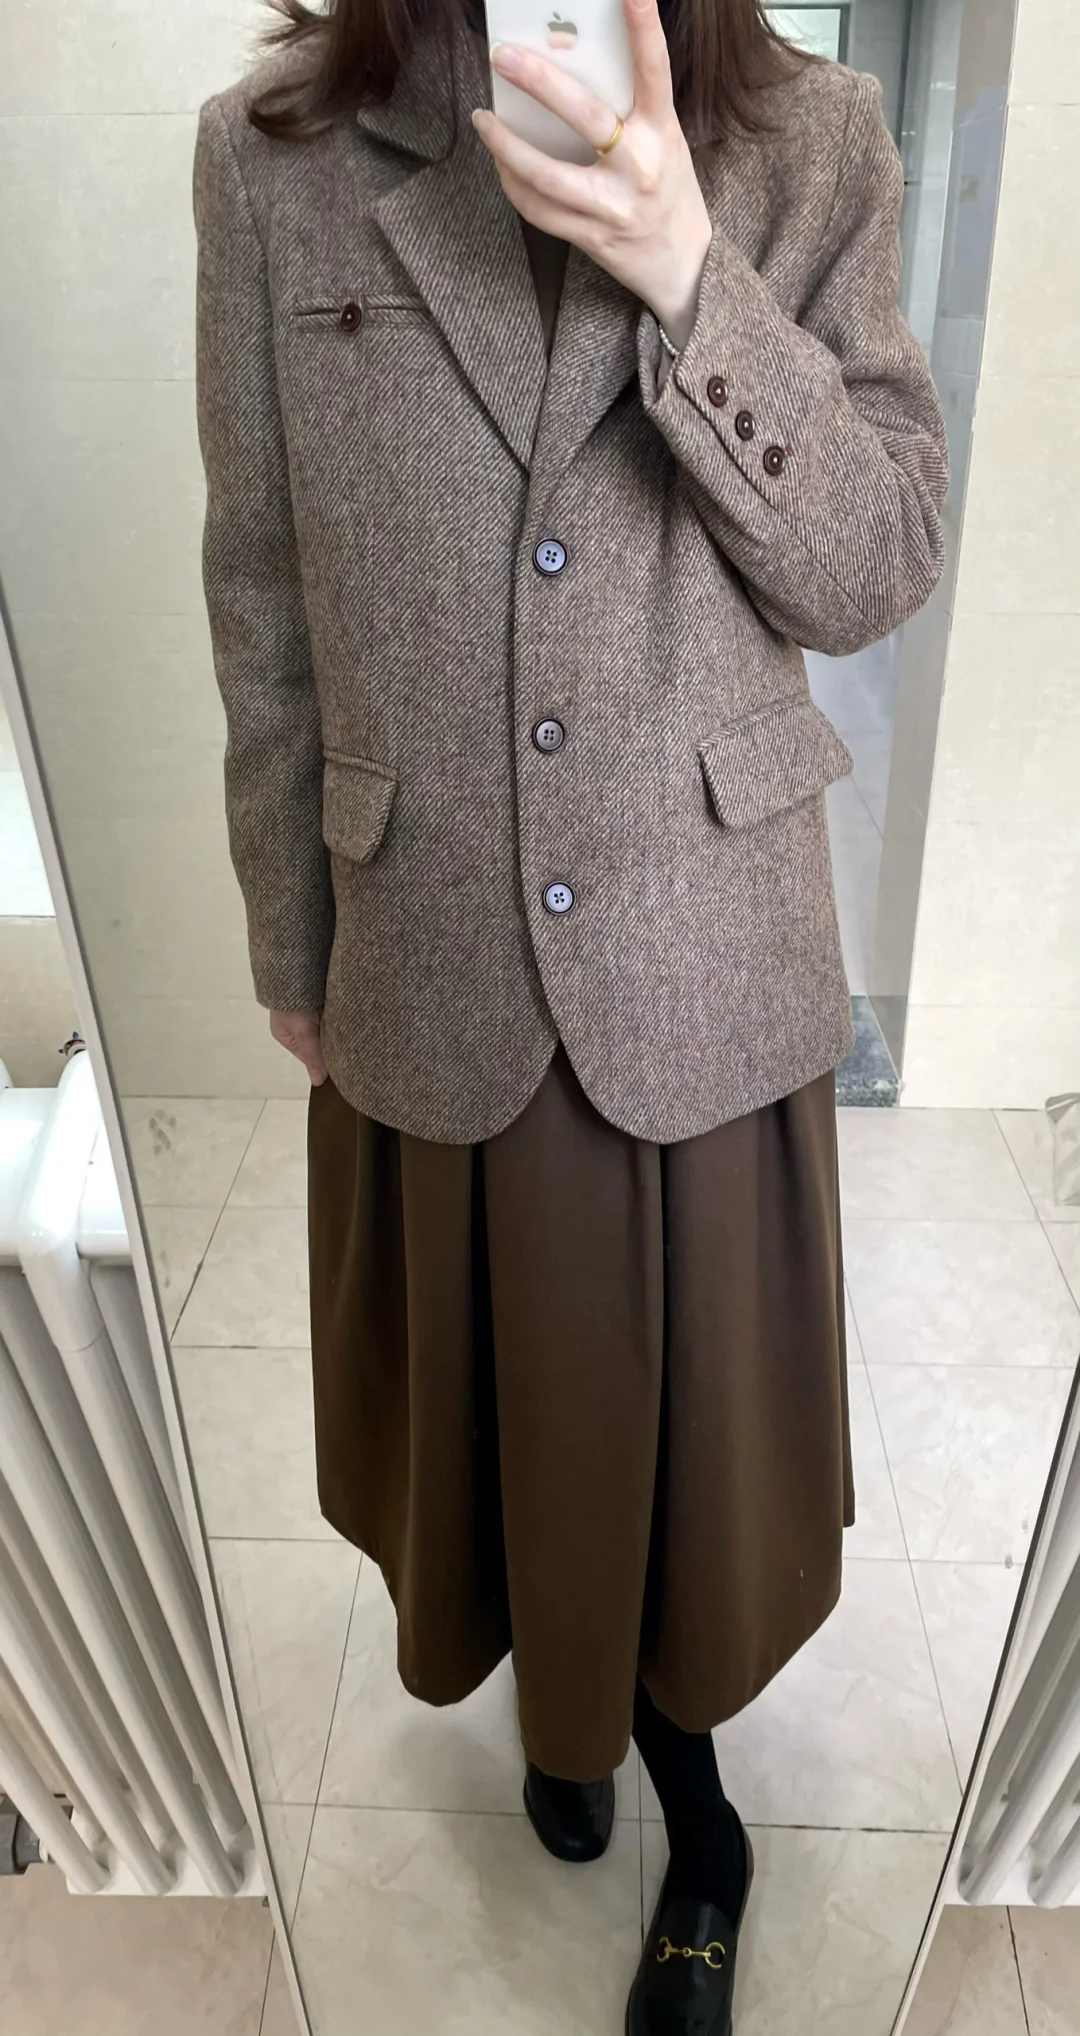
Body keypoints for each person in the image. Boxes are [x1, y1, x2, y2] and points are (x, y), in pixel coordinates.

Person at [193, 0, 946, 2025]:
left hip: (699, 945)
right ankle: (560, 1709)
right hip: (425, 937)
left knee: (686, 1456)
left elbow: (875, 562)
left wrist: (691, 271)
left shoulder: (811, 139)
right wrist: (288, 933)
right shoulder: (274, 160)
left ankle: (705, 1818)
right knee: (495, 1418)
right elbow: (261, 588)